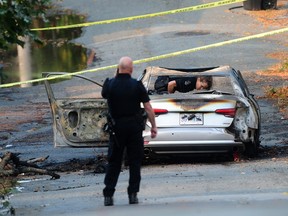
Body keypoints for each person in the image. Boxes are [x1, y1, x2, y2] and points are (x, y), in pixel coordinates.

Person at [101, 56, 157, 206]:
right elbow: (148, 108)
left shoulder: (109, 84)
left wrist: (115, 76)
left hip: (116, 129)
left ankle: (108, 195)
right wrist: (154, 126)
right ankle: (133, 194)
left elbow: (105, 94)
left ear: (118, 69)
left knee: (114, 162)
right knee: (134, 162)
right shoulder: (136, 85)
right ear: (131, 69)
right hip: (133, 129)